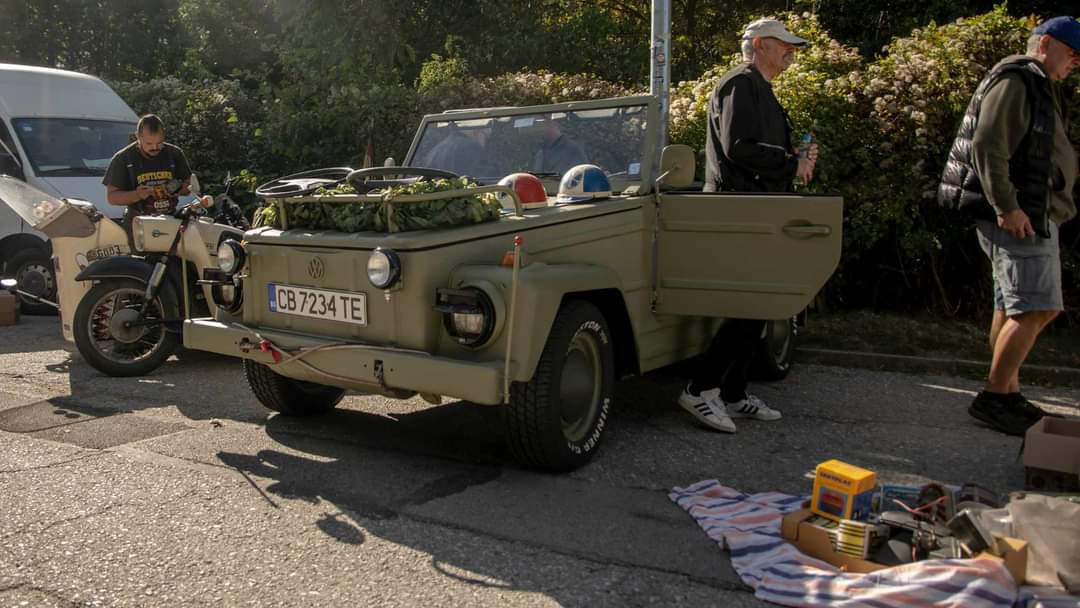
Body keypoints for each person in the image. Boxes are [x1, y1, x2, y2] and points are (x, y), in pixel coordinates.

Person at [938, 16, 1079, 436]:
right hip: (1022, 214)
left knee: (1013, 306)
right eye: (1071, 51)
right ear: (1046, 44)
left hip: (1033, 210)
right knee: (1038, 307)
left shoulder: (1036, 82)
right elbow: (988, 143)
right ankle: (996, 397)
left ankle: (1007, 391)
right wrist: (1007, 207)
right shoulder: (1018, 78)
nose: (1075, 61)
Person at [679, 18, 818, 434]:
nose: (790, 52)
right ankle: (699, 389)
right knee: (749, 305)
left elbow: (758, 148)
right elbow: (738, 148)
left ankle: (734, 394)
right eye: (783, 45)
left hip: (757, 208)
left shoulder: (759, 87)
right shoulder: (740, 83)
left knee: (759, 305)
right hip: (739, 211)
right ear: (759, 45)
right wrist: (792, 163)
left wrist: (794, 157)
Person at [102, 114, 193, 237]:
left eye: (159, 143)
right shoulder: (123, 158)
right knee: (139, 257)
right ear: (138, 137)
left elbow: (190, 186)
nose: (155, 148)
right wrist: (137, 194)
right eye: (149, 143)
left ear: (164, 135)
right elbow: (112, 198)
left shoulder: (174, 154)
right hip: (138, 222)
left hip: (170, 219)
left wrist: (177, 188)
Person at [421, 124, 491, 177]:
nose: (485, 142)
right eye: (486, 137)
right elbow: (483, 178)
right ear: (476, 133)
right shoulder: (473, 147)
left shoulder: (437, 148)